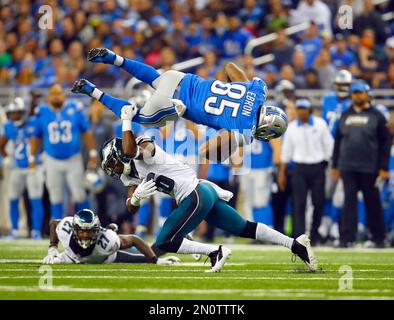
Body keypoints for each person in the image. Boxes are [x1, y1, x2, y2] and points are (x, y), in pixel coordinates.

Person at [98, 105, 318, 273]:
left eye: (114, 163)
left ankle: (215, 251)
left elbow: (129, 150)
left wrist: (126, 121)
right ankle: (295, 245)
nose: (115, 169)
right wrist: (135, 199)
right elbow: (131, 206)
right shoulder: (129, 174)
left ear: (120, 154)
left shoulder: (145, 146)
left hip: (195, 194)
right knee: (243, 227)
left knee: (165, 241)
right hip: (202, 193)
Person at [71, 48, 288, 144]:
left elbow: (230, 66)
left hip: (180, 78)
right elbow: (209, 152)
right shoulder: (245, 129)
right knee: (138, 118)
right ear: (267, 126)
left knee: (156, 79)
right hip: (175, 103)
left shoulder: (258, 90)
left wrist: (242, 85)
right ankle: (92, 90)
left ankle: (115, 58)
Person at [331, 80, 391, 248]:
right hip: (348, 166)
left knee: (372, 202)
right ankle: (346, 238)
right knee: (348, 202)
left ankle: (379, 238)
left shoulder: (377, 116)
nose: (357, 95)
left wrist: (384, 167)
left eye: (360, 92)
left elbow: (385, 142)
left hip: (369, 167)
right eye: (354, 92)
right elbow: (338, 141)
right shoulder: (345, 115)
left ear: (367, 94)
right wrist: (335, 165)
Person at [30, 84, 98, 220]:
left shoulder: (74, 109)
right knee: (55, 196)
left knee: (79, 194)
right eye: (53, 93)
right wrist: (32, 157)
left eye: (59, 93)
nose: (56, 96)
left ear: (64, 95)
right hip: (52, 159)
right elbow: (36, 136)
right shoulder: (42, 111)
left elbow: (86, 132)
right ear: (49, 97)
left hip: (73, 158)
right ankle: (57, 228)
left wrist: (93, 153)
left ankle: (87, 223)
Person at [279, 99, 334, 244]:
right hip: (299, 168)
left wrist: (330, 164)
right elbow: (286, 152)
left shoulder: (320, 124)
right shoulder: (291, 127)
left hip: (318, 166)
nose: (302, 112)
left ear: (309, 110)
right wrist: (282, 173)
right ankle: (299, 236)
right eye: (299, 109)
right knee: (299, 203)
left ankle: (315, 233)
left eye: (304, 109)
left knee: (319, 202)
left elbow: (329, 145)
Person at [42, 209, 180, 265]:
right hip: (74, 257)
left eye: (89, 231)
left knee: (142, 256)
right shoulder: (65, 227)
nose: (85, 235)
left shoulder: (107, 242)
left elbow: (134, 239)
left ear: (96, 231)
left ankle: (174, 238)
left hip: (107, 257)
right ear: (73, 229)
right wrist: (52, 248)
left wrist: (156, 261)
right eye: (81, 231)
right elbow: (54, 224)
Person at [0, 97, 44, 239]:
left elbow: (41, 140)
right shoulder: (9, 127)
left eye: (17, 113)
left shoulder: (33, 124)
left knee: (35, 200)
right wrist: (6, 157)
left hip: (33, 168)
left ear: (23, 112)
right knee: (13, 199)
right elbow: (1, 145)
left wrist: (38, 156)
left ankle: (36, 230)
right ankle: (14, 230)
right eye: (13, 113)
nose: (15, 116)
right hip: (17, 167)